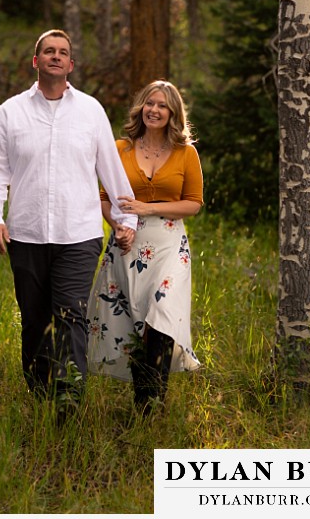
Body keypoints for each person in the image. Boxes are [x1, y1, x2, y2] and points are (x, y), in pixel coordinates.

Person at [0, 29, 138, 419]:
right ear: (36, 62)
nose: (55, 56)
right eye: (48, 51)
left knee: (71, 314)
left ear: (71, 64)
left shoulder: (90, 111)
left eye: (63, 52)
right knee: (34, 319)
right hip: (27, 234)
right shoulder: (11, 112)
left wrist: (125, 219)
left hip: (78, 234)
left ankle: (69, 399)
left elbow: (111, 170)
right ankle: (38, 393)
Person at [87, 80, 203, 415]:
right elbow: (104, 198)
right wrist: (119, 226)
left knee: (162, 318)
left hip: (168, 246)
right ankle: (144, 402)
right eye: (150, 103)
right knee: (133, 320)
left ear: (173, 113)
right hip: (127, 243)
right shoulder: (120, 148)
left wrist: (148, 209)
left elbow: (194, 203)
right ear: (141, 108)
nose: (154, 110)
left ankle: (153, 403)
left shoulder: (186, 153)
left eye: (163, 105)